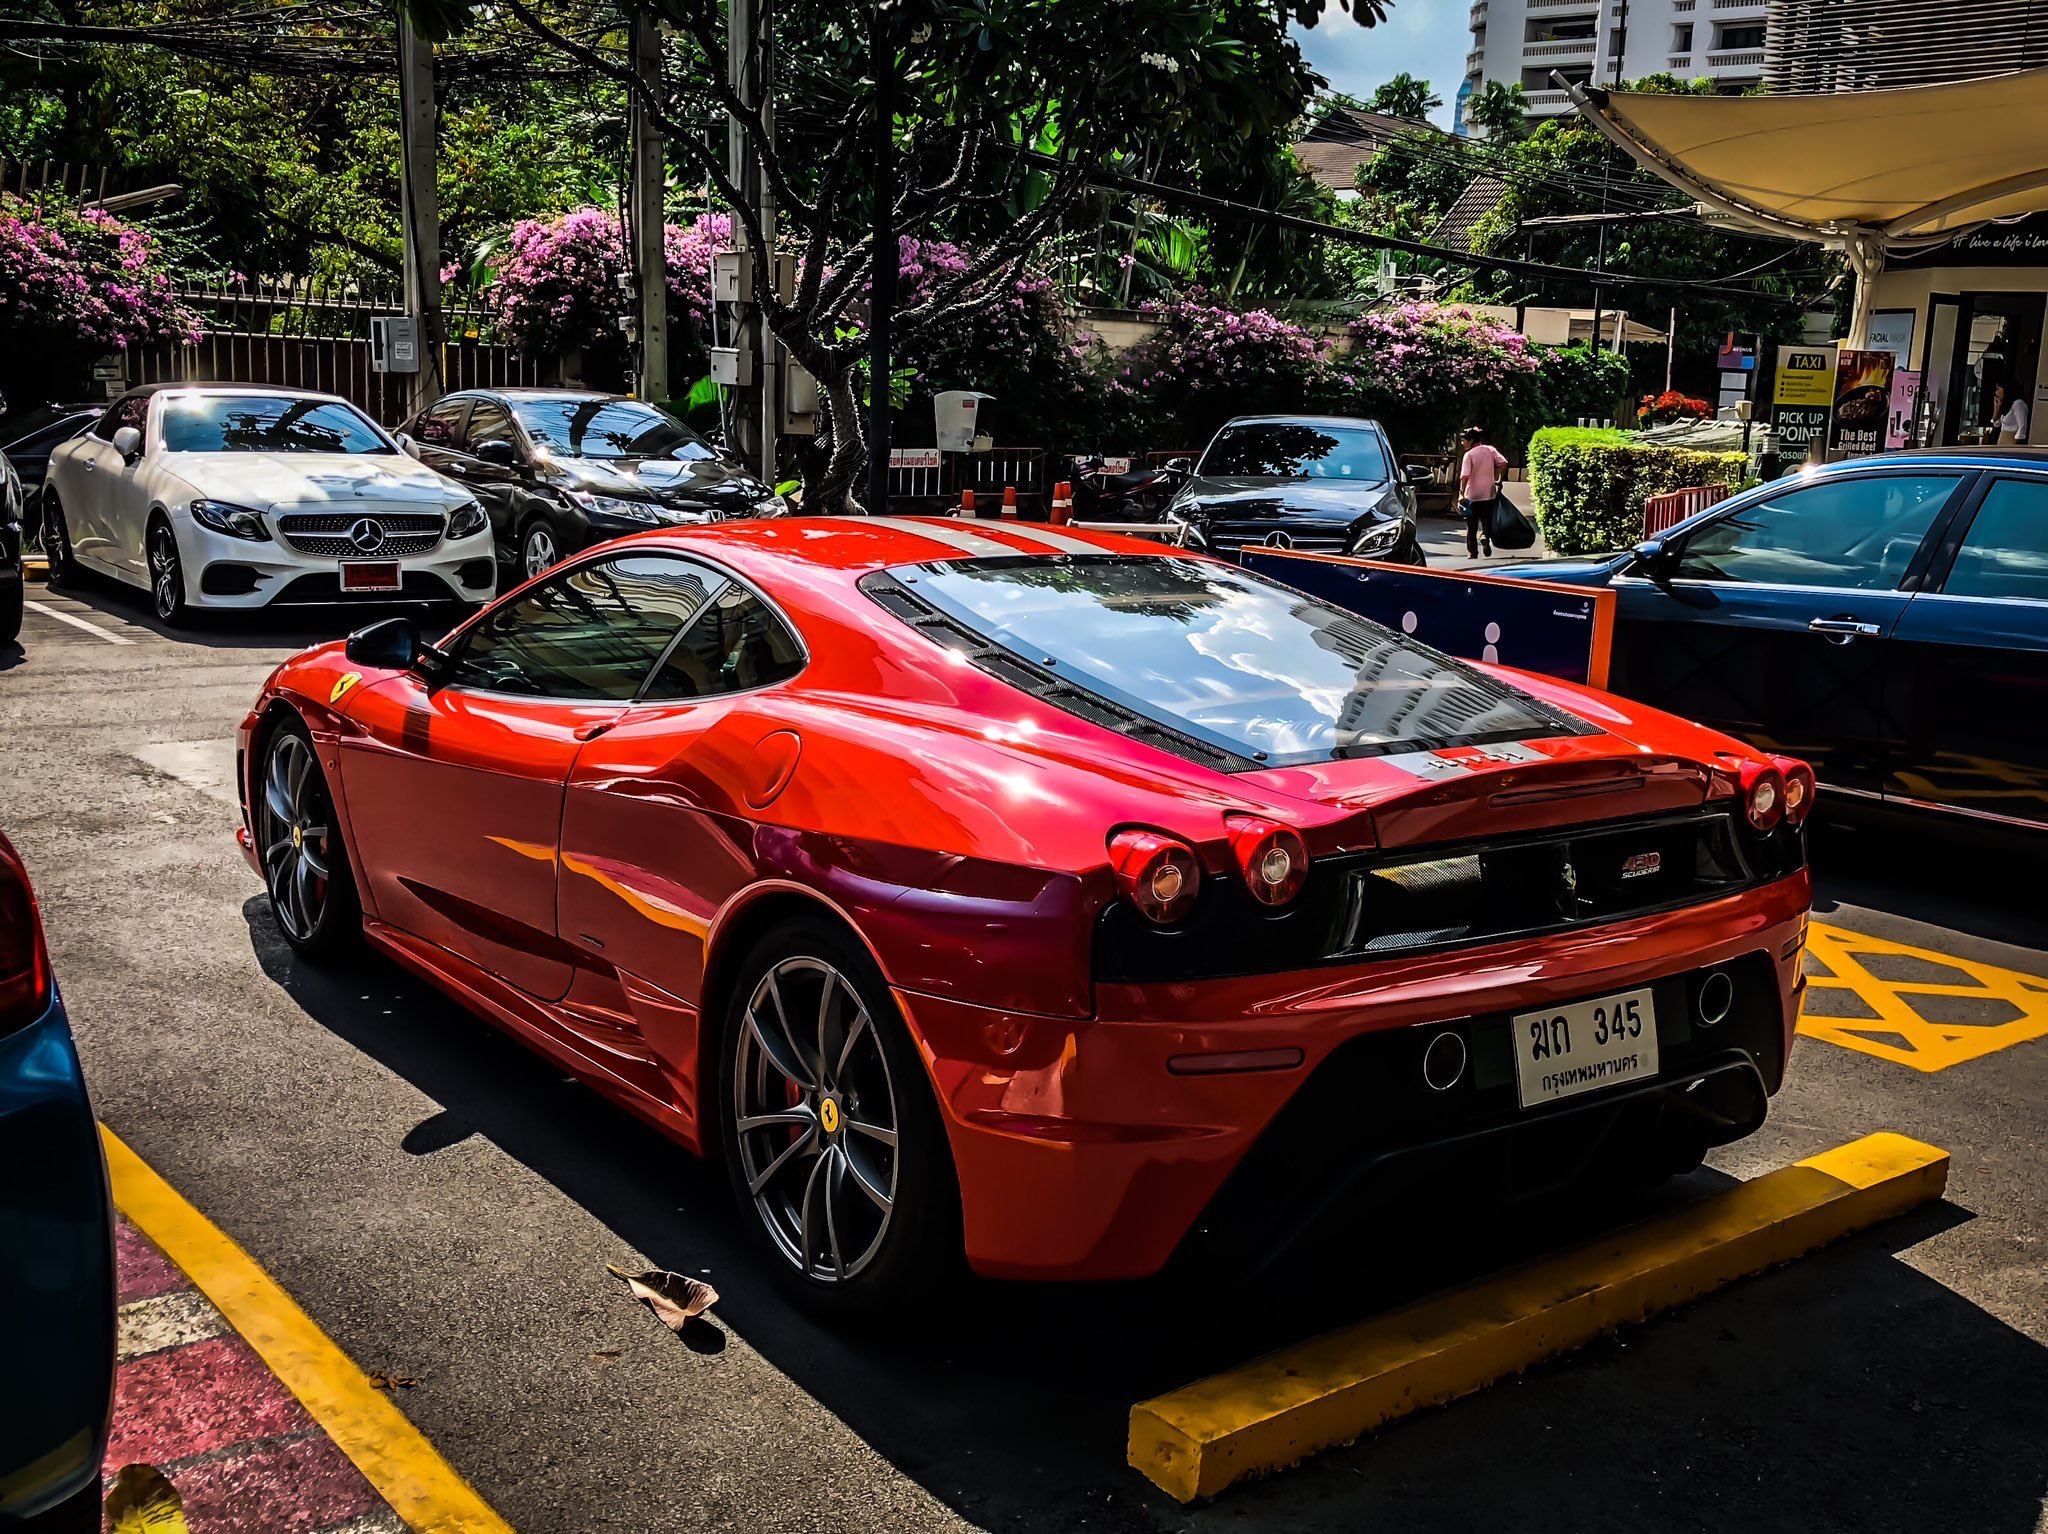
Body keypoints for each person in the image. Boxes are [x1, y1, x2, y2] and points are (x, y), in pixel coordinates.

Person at [1457, 425, 1508, 559]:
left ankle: (1473, 553)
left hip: (1472, 495)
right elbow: (1503, 463)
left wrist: (1461, 493)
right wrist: (1499, 480)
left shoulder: (1469, 455)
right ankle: (1485, 536)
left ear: (1471, 440)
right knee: (1487, 521)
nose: (1462, 443)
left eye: (1464, 440)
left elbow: (1464, 476)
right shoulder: (1490, 450)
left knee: (1471, 526)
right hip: (1488, 493)